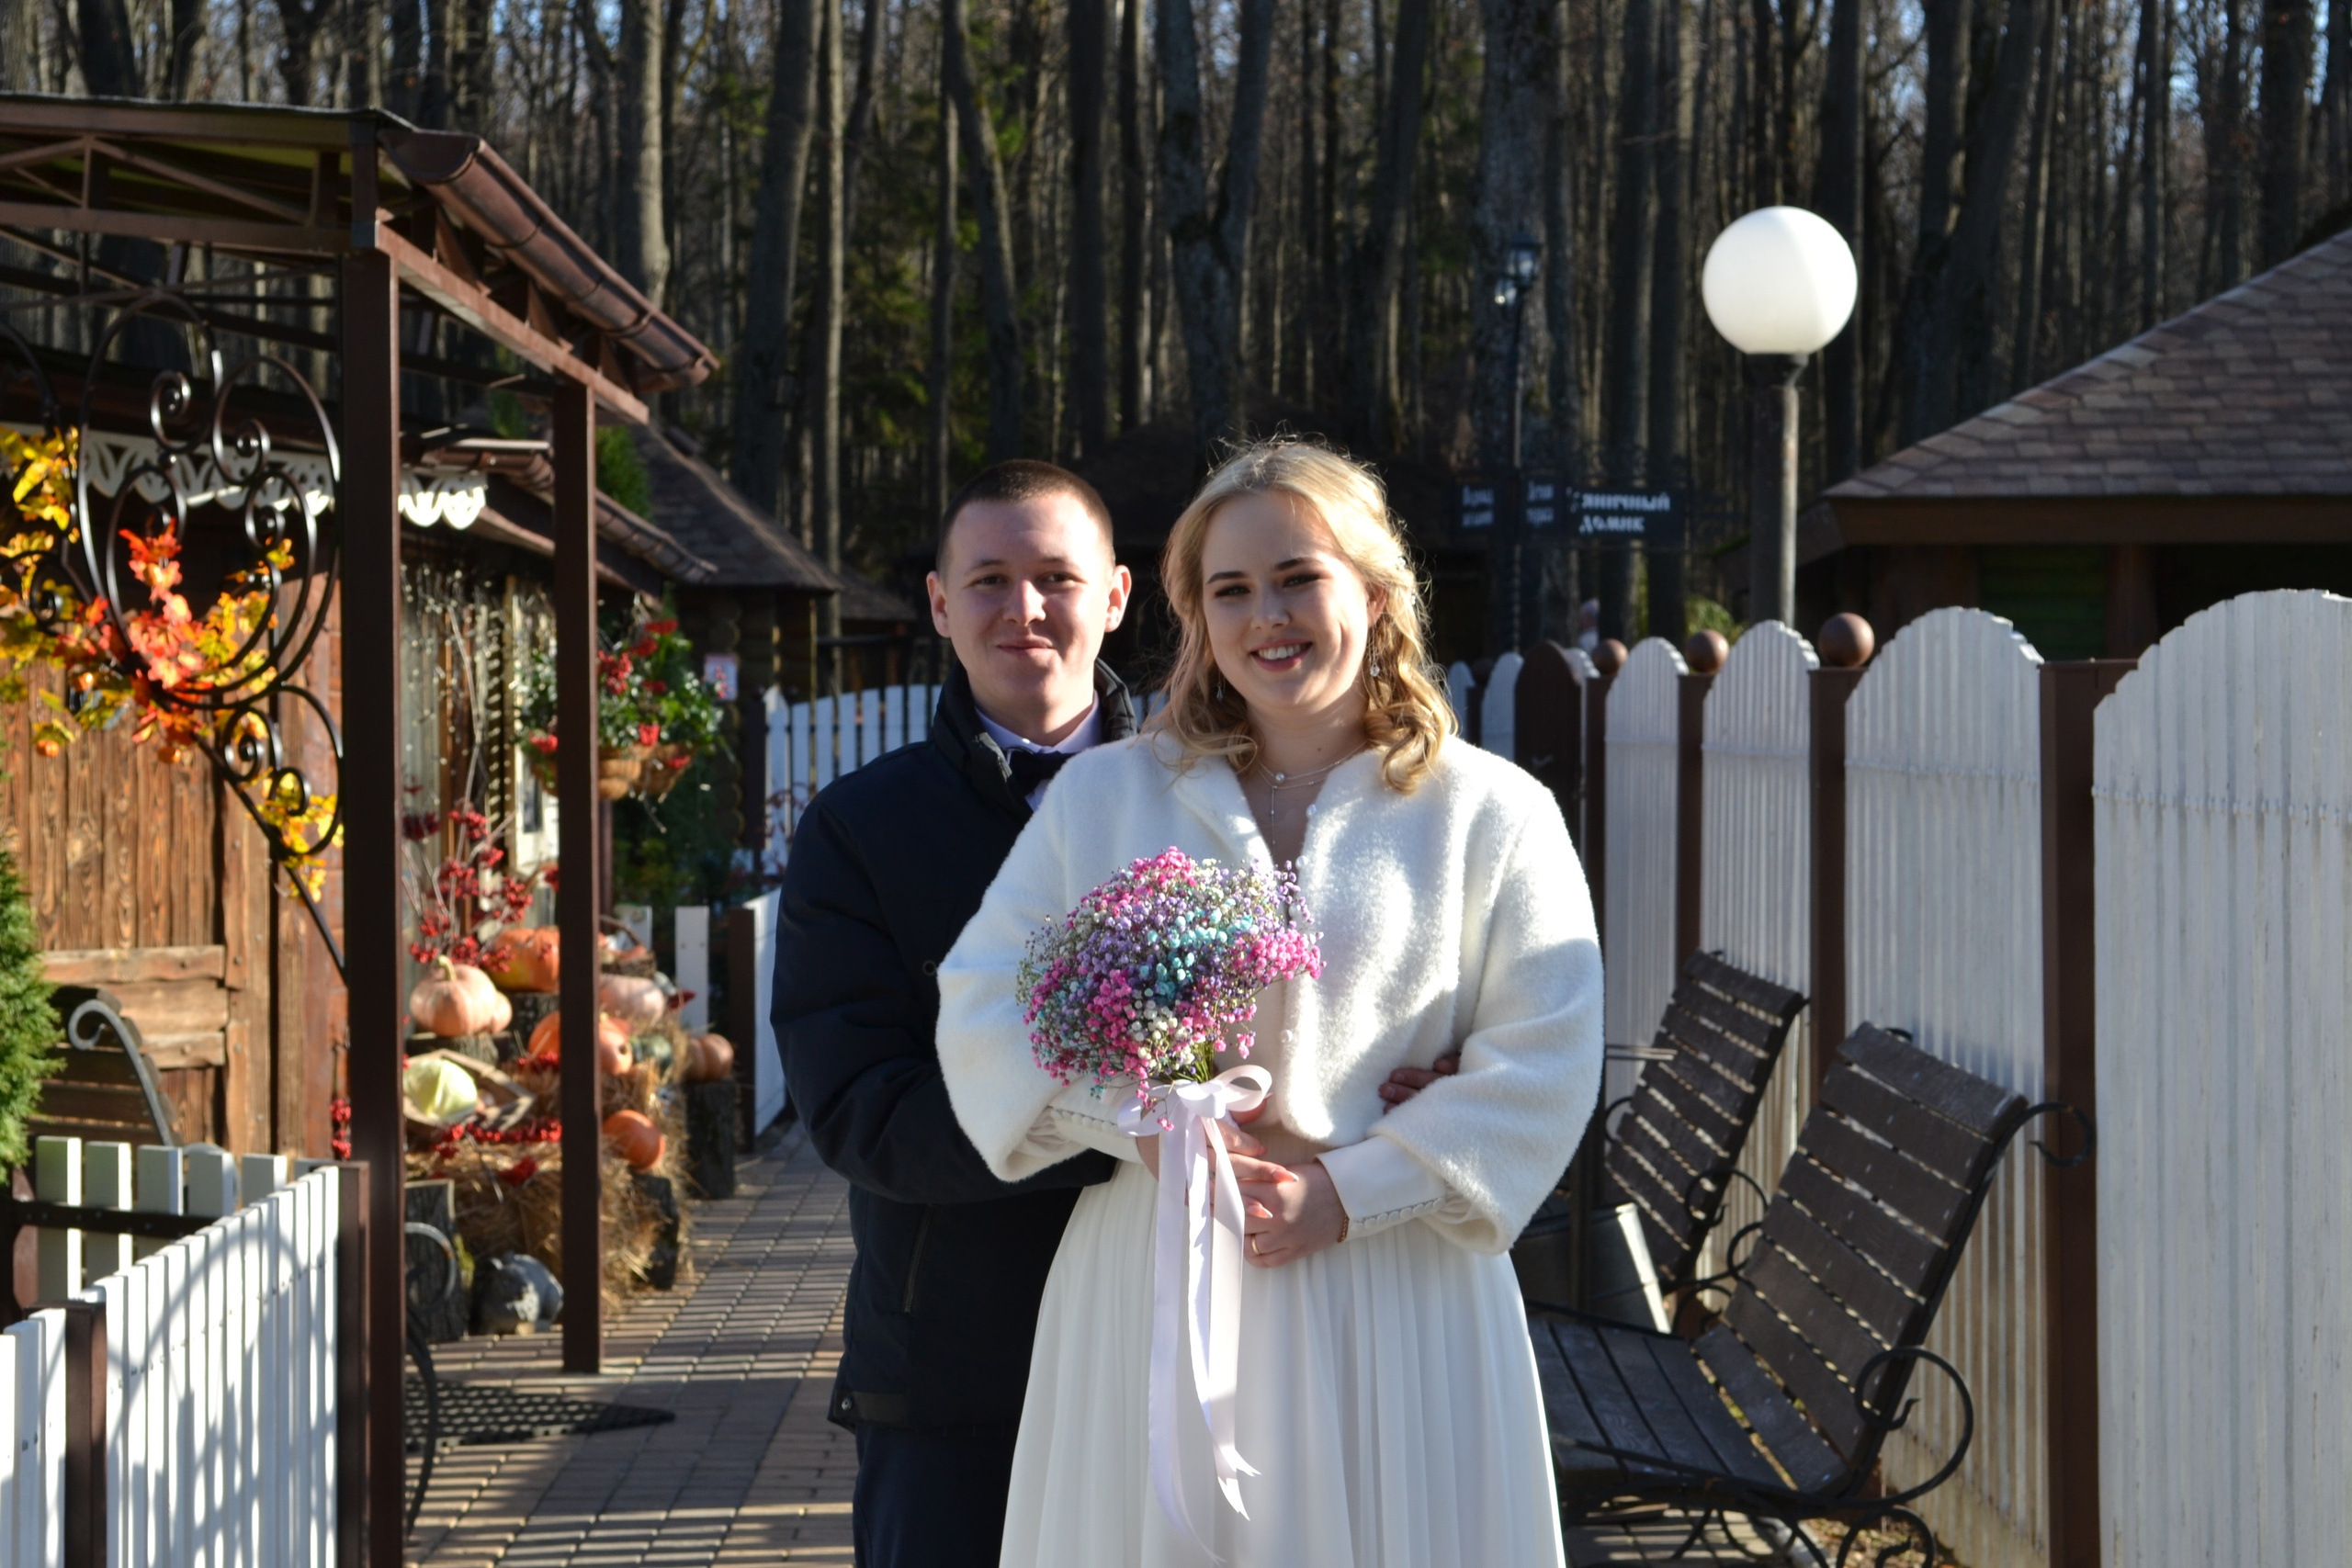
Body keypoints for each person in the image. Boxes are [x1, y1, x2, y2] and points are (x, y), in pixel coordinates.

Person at [774, 457, 1461, 1567]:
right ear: (941, 604)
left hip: (1221, 1337)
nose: (1024, 607)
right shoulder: (860, 829)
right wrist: (1130, 1139)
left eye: (1054, 575)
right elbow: (860, 1108)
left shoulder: (1214, 787)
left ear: (1119, 596)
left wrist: (1433, 1071)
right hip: (960, 1352)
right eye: (987, 579)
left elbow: (1358, 983)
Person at [936, 439, 1603, 1568]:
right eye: (1230, 590)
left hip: (1402, 1293)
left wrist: (1354, 1189)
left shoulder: (1493, 813)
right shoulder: (1105, 795)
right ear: (1195, 616)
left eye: (1299, 576)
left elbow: (1546, 1052)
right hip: (1156, 1285)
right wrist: (1150, 1131)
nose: (1267, 617)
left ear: (1377, 594)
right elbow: (981, 1008)